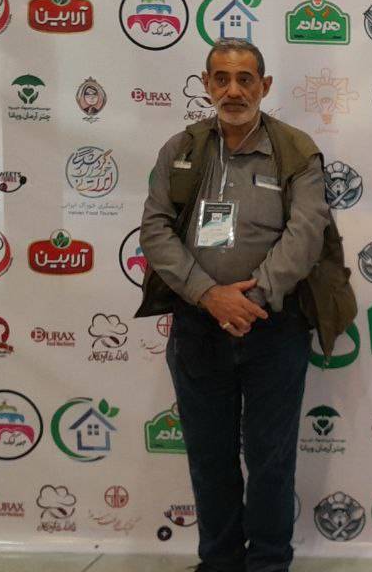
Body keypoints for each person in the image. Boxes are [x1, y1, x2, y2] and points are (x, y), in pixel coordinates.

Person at [136, 38, 355, 572]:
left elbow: (306, 233)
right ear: (206, 84)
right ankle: (219, 562)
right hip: (198, 328)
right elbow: (155, 229)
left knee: (270, 459)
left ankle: (269, 564)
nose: (233, 90)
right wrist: (210, 296)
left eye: (245, 79)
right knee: (209, 458)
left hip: (274, 329)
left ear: (264, 85)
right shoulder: (181, 149)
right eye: (222, 78)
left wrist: (249, 301)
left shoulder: (295, 150)